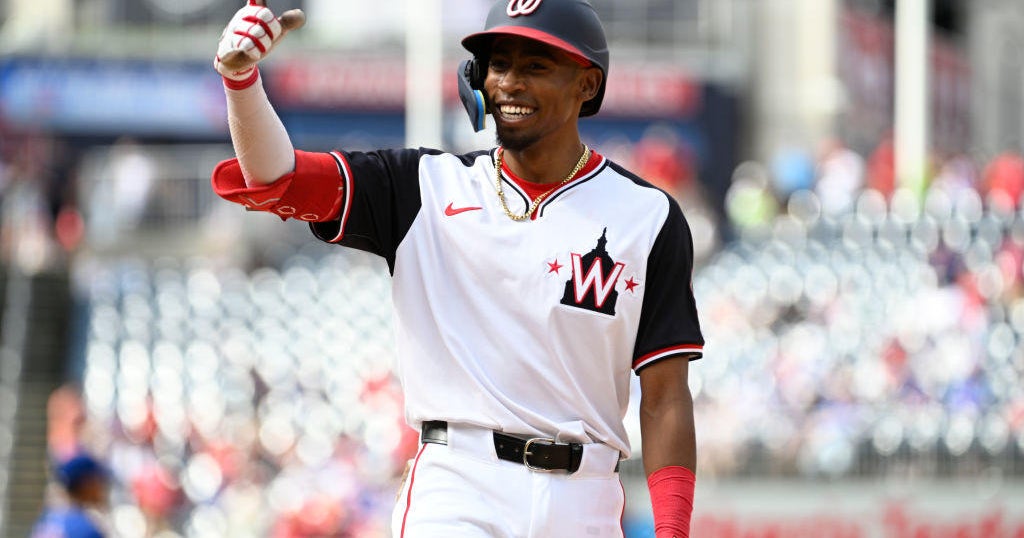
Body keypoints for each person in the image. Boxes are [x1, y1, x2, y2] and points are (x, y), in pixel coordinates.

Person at [211, 0, 704, 536]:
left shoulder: (647, 216)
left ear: (587, 84)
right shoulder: (423, 185)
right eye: (499, 63)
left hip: (585, 496)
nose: (511, 82)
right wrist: (242, 82)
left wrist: (672, 531)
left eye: (536, 66)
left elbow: (665, 396)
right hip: (459, 485)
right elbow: (275, 176)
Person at [30, 453, 110, 538]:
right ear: (87, 483)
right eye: (99, 479)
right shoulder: (86, 529)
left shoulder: (47, 518)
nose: (102, 486)